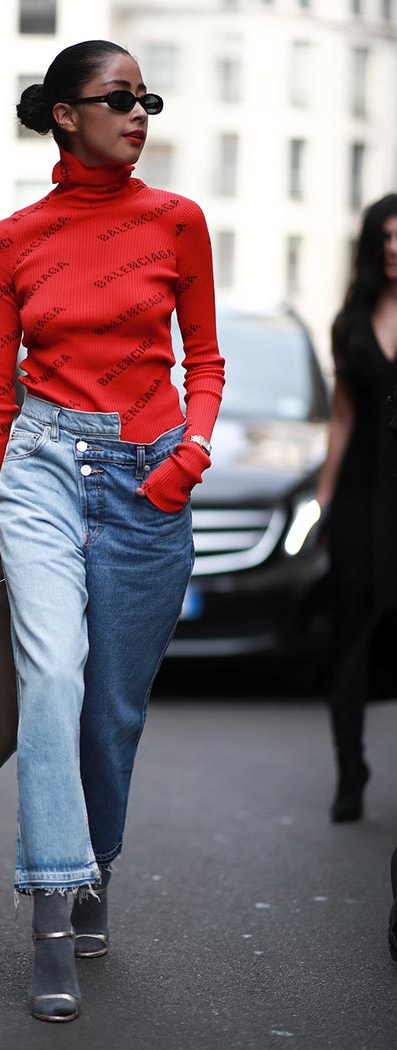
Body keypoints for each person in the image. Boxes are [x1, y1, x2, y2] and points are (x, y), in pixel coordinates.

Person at [0, 40, 225, 1022]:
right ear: (66, 114)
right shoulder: (10, 239)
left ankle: (94, 863)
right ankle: (52, 918)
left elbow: (205, 358)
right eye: (119, 99)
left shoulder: (178, 222)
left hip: (145, 474)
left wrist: (188, 456)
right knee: (54, 677)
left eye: (147, 97)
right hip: (40, 470)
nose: (139, 113)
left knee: (111, 713)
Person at [317, 194, 397, 823]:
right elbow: (342, 417)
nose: (395, 246)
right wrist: (325, 494)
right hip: (360, 497)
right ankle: (350, 769)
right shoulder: (350, 322)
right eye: (385, 237)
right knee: (350, 633)